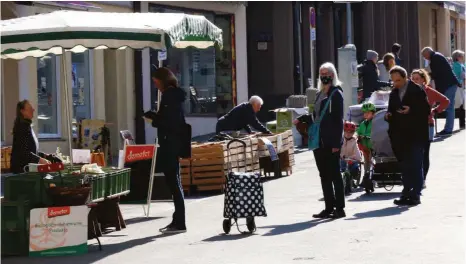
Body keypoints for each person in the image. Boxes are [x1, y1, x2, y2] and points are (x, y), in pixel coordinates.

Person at [145, 67, 188, 234]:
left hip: (169, 143)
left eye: (156, 82)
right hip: (174, 143)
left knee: (174, 182)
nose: (156, 86)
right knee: (174, 181)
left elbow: (168, 122)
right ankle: (178, 220)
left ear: (163, 80)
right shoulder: (175, 96)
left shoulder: (169, 96)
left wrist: (154, 119)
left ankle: (180, 222)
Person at [385, 66, 430, 206]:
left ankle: (415, 194)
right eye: (393, 81)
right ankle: (406, 193)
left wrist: (412, 109)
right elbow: (391, 109)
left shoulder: (416, 90)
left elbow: (426, 110)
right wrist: (388, 115)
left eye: (398, 80)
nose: (396, 83)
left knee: (416, 164)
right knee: (405, 165)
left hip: (415, 134)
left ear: (405, 78)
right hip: (400, 135)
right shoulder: (393, 93)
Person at [311, 62, 345, 219]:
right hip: (318, 141)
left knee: (335, 174)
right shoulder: (319, 94)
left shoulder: (336, 94)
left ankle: (340, 208)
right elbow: (316, 116)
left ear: (333, 75)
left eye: (327, 74)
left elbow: (339, 120)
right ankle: (328, 207)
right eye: (321, 73)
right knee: (324, 175)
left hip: (331, 141)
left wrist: (337, 143)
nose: (324, 76)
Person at [411, 69, 450, 188]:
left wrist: (435, 110)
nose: (414, 81)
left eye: (417, 79)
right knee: (413, 153)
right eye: (412, 79)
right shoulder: (408, 91)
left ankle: (422, 179)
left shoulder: (429, 91)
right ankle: (414, 178)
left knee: (424, 153)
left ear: (423, 79)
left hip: (427, 125)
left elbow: (445, 101)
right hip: (412, 126)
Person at [421, 47, 460, 136]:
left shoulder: (435, 58)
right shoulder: (436, 56)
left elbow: (436, 73)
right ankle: (448, 128)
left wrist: (425, 75)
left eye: (424, 56)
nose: (425, 58)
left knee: (449, 106)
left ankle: (448, 129)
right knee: (449, 106)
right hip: (449, 84)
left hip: (448, 84)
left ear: (427, 53)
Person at [10, 100, 52, 174]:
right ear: (22, 111)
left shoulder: (27, 126)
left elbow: (31, 150)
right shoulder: (21, 128)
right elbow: (23, 152)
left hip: (27, 169)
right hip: (21, 171)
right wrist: (40, 159)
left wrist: (44, 156)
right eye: (30, 108)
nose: (33, 110)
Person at [340, 121, 362, 195]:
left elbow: (357, 152)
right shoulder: (340, 140)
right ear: (344, 131)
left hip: (351, 159)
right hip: (341, 159)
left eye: (351, 132)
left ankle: (352, 179)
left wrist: (358, 159)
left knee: (355, 169)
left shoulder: (354, 141)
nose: (348, 133)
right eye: (346, 131)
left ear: (353, 132)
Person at [357, 102, 376, 180]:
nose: (366, 114)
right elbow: (358, 132)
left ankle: (371, 176)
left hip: (373, 146)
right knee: (366, 162)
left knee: (372, 161)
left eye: (368, 112)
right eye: (365, 113)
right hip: (365, 146)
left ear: (373, 113)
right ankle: (366, 176)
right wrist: (358, 136)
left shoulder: (375, 122)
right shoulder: (362, 124)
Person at [452, 50, 465, 129]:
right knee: (460, 104)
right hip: (459, 86)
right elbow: (459, 76)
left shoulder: (461, 65)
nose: (462, 58)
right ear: (457, 57)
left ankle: (462, 123)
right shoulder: (456, 65)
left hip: (462, 87)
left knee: (462, 105)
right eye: (461, 56)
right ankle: (462, 123)